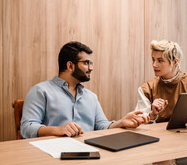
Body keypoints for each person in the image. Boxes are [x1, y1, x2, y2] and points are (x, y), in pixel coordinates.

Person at [21, 41, 149, 138]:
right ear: (70, 65)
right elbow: (26, 128)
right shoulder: (40, 91)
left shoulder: (91, 97)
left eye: (90, 63)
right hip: (52, 157)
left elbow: (102, 126)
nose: (91, 68)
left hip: (89, 155)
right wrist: (58, 130)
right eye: (86, 63)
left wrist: (121, 122)